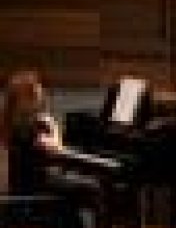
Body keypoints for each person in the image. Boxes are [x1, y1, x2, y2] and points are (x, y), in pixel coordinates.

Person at [3, 70, 103, 228]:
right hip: (35, 189)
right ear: (27, 99)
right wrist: (53, 126)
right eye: (38, 93)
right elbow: (57, 150)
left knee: (77, 193)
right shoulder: (32, 126)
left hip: (23, 185)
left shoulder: (13, 124)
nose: (43, 97)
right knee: (93, 188)